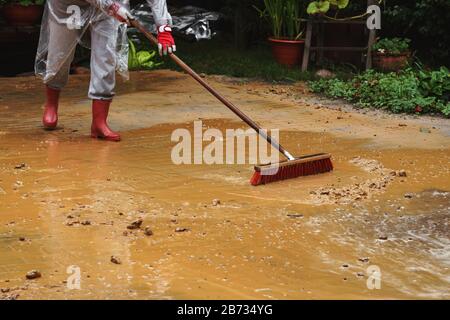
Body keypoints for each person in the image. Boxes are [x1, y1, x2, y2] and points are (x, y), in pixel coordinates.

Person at [36, 0, 176, 141]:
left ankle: (99, 123)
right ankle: (51, 105)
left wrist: (163, 26)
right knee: (59, 54)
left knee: (106, 57)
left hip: (107, 8)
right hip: (68, 3)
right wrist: (112, 6)